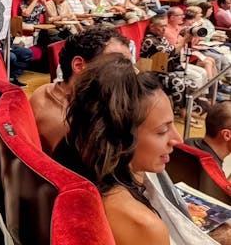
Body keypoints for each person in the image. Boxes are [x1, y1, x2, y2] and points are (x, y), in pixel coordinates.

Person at [53, 53, 184, 245]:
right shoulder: (143, 224)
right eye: (162, 131)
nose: (177, 139)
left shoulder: (70, 147)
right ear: (120, 137)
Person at [30, 27, 131, 154]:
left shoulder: (44, 90)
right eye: (117, 63)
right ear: (79, 65)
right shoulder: (80, 123)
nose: (129, 72)